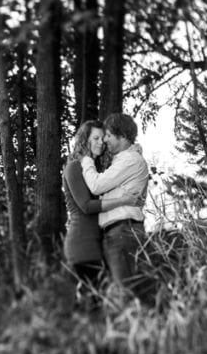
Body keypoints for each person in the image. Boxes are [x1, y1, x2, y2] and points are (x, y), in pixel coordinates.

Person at [63, 120, 140, 307]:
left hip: (100, 243)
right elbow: (87, 206)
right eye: (95, 138)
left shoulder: (95, 170)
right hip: (83, 244)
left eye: (102, 138)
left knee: (101, 304)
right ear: (84, 140)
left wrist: (133, 151)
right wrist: (123, 200)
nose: (100, 142)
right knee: (92, 305)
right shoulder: (74, 167)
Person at [80, 112, 151, 303]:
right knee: (127, 292)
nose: (105, 140)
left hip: (122, 232)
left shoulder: (129, 160)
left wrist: (86, 160)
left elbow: (97, 185)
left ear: (123, 137)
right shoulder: (124, 160)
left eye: (109, 136)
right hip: (121, 232)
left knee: (126, 294)